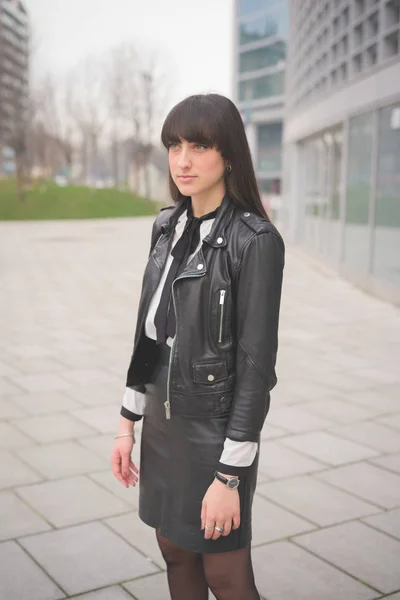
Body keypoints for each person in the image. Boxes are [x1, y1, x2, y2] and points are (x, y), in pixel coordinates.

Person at [111, 93, 284, 600]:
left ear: (228, 154)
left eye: (199, 146)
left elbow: (256, 370)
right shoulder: (166, 225)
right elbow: (149, 332)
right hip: (164, 427)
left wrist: (229, 476)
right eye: (174, 145)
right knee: (174, 550)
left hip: (215, 433)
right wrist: (127, 424)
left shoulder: (255, 241)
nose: (182, 160)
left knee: (225, 575)